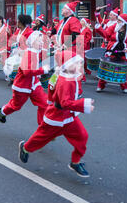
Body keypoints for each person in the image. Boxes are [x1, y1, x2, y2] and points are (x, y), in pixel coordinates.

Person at [18, 50, 94, 178]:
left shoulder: (70, 76)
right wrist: (83, 105)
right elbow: (64, 102)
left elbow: (60, 93)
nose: (79, 66)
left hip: (68, 117)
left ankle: (75, 162)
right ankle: (25, 148)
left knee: (82, 136)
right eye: (75, 64)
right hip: (56, 117)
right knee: (41, 138)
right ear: (66, 65)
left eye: (79, 64)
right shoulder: (64, 81)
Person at [0, 31, 50, 126]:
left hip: (33, 84)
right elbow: (26, 72)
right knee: (16, 106)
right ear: (32, 42)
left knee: (44, 104)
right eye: (39, 41)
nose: (42, 43)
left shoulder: (36, 52)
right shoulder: (29, 53)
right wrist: (42, 70)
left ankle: (43, 127)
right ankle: (2, 112)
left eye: (42, 41)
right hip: (22, 86)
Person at [95, 13, 127, 94]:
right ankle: (101, 85)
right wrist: (99, 28)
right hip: (112, 51)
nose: (117, 21)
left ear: (124, 22)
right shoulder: (113, 27)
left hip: (123, 53)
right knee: (106, 68)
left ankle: (124, 86)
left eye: (119, 20)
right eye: (118, 20)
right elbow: (106, 34)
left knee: (123, 71)